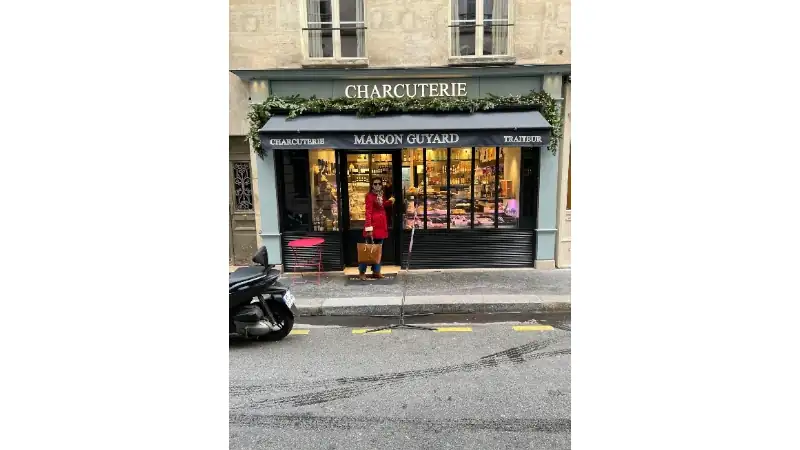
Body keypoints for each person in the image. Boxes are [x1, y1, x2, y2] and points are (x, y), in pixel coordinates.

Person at [360, 177, 395, 280]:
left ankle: (376, 271)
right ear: (372, 185)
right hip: (373, 227)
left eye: (379, 183)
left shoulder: (381, 195)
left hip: (381, 226)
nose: (377, 186)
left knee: (378, 250)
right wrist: (368, 228)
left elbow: (382, 205)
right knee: (367, 251)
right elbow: (368, 212)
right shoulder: (369, 196)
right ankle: (362, 272)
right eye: (375, 184)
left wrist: (390, 202)